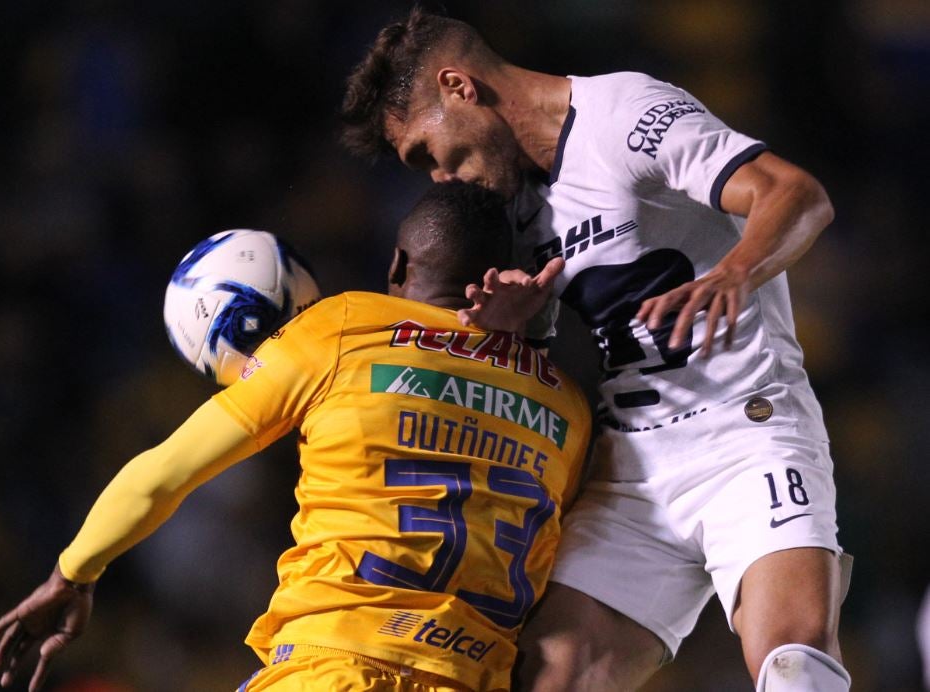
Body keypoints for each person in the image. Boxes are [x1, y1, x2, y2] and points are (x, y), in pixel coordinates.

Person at [341, 8, 850, 691]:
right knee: (543, 677)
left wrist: (737, 270)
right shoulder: (512, 212)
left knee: (796, 667)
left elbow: (797, 195)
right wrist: (512, 330)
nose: (438, 177)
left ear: (459, 86)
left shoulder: (623, 115)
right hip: (631, 473)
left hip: (747, 432)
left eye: (426, 152)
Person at [0, 181, 591, 692]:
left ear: (399, 266)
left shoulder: (344, 326)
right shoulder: (569, 408)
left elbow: (163, 474)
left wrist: (71, 574)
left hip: (334, 664)